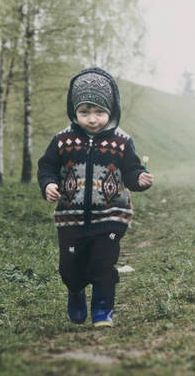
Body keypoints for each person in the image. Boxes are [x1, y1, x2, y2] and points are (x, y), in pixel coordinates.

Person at [37, 67, 153, 328]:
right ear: (73, 111)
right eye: (84, 112)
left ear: (111, 111)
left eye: (99, 112)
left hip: (111, 216)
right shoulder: (62, 140)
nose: (92, 119)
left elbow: (132, 170)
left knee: (103, 263)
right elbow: (47, 167)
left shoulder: (122, 142)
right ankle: (75, 292)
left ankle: (103, 310)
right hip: (70, 217)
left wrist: (139, 180)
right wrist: (49, 184)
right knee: (70, 266)